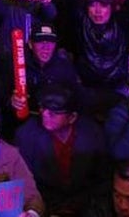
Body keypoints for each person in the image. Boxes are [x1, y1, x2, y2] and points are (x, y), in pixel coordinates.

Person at [15, 83, 109, 217]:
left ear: (72, 117)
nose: (45, 114)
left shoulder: (93, 135)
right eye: (43, 108)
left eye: (53, 112)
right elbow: (24, 182)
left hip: (84, 206)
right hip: (45, 206)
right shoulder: (26, 136)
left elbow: (102, 180)